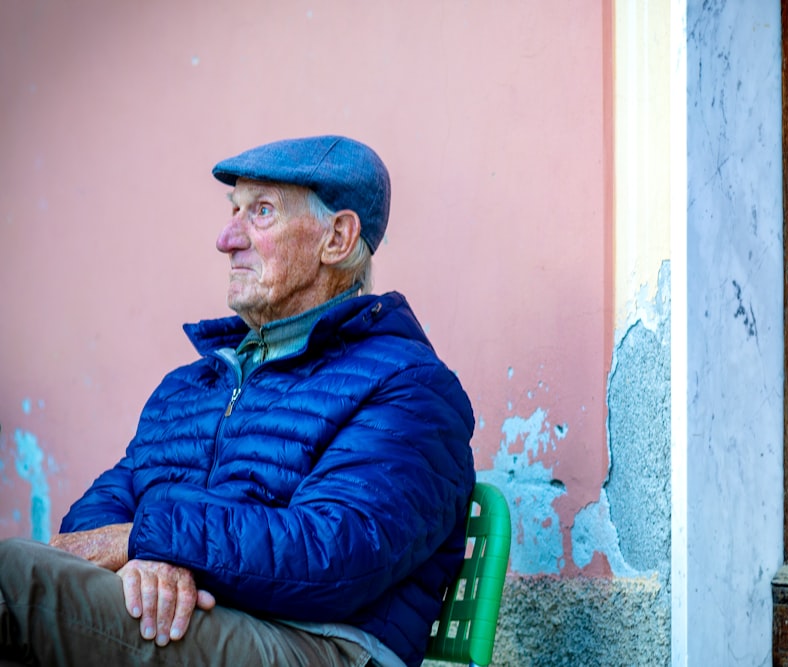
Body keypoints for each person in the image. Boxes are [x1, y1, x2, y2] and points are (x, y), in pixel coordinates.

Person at [0, 136, 476, 667]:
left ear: (337, 238)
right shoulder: (193, 384)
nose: (227, 239)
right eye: (234, 212)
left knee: (15, 580)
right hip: (201, 619)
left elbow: (333, 553)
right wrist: (147, 563)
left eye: (261, 212)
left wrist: (158, 541)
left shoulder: (409, 385)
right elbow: (98, 521)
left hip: (321, 644)